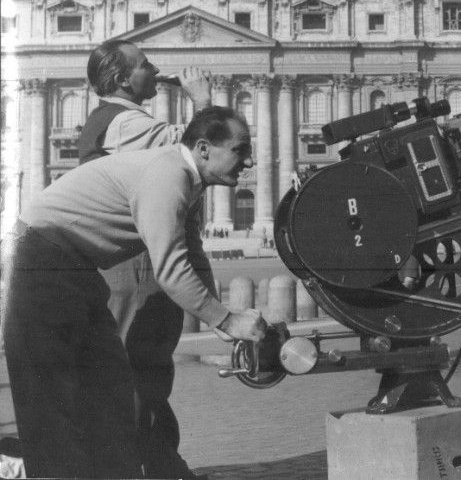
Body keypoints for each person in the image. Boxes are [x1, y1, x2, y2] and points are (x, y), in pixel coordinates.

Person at [2, 107, 266, 479]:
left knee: (114, 388)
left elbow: (191, 252)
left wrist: (220, 320)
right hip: (40, 262)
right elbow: (171, 269)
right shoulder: (168, 176)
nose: (249, 160)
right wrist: (227, 320)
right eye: (240, 149)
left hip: (75, 268)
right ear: (204, 149)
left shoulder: (186, 179)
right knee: (52, 404)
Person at [77, 39, 212, 477]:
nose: (155, 70)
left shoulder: (119, 120)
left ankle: (163, 464)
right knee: (135, 370)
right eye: (145, 65)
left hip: (133, 259)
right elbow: (197, 154)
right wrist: (203, 101)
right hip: (136, 260)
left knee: (145, 372)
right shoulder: (124, 123)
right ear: (121, 79)